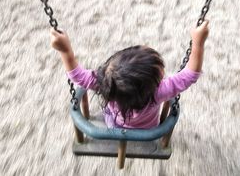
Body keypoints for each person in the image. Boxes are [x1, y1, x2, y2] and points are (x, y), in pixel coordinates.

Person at [51, 20, 209, 129]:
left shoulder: (107, 83)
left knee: (108, 112)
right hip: (148, 130)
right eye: (160, 72)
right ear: (152, 84)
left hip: (115, 127)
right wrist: (198, 43)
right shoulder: (158, 93)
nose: (163, 73)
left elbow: (77, 75)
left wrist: (65, 51)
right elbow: (190, 74)